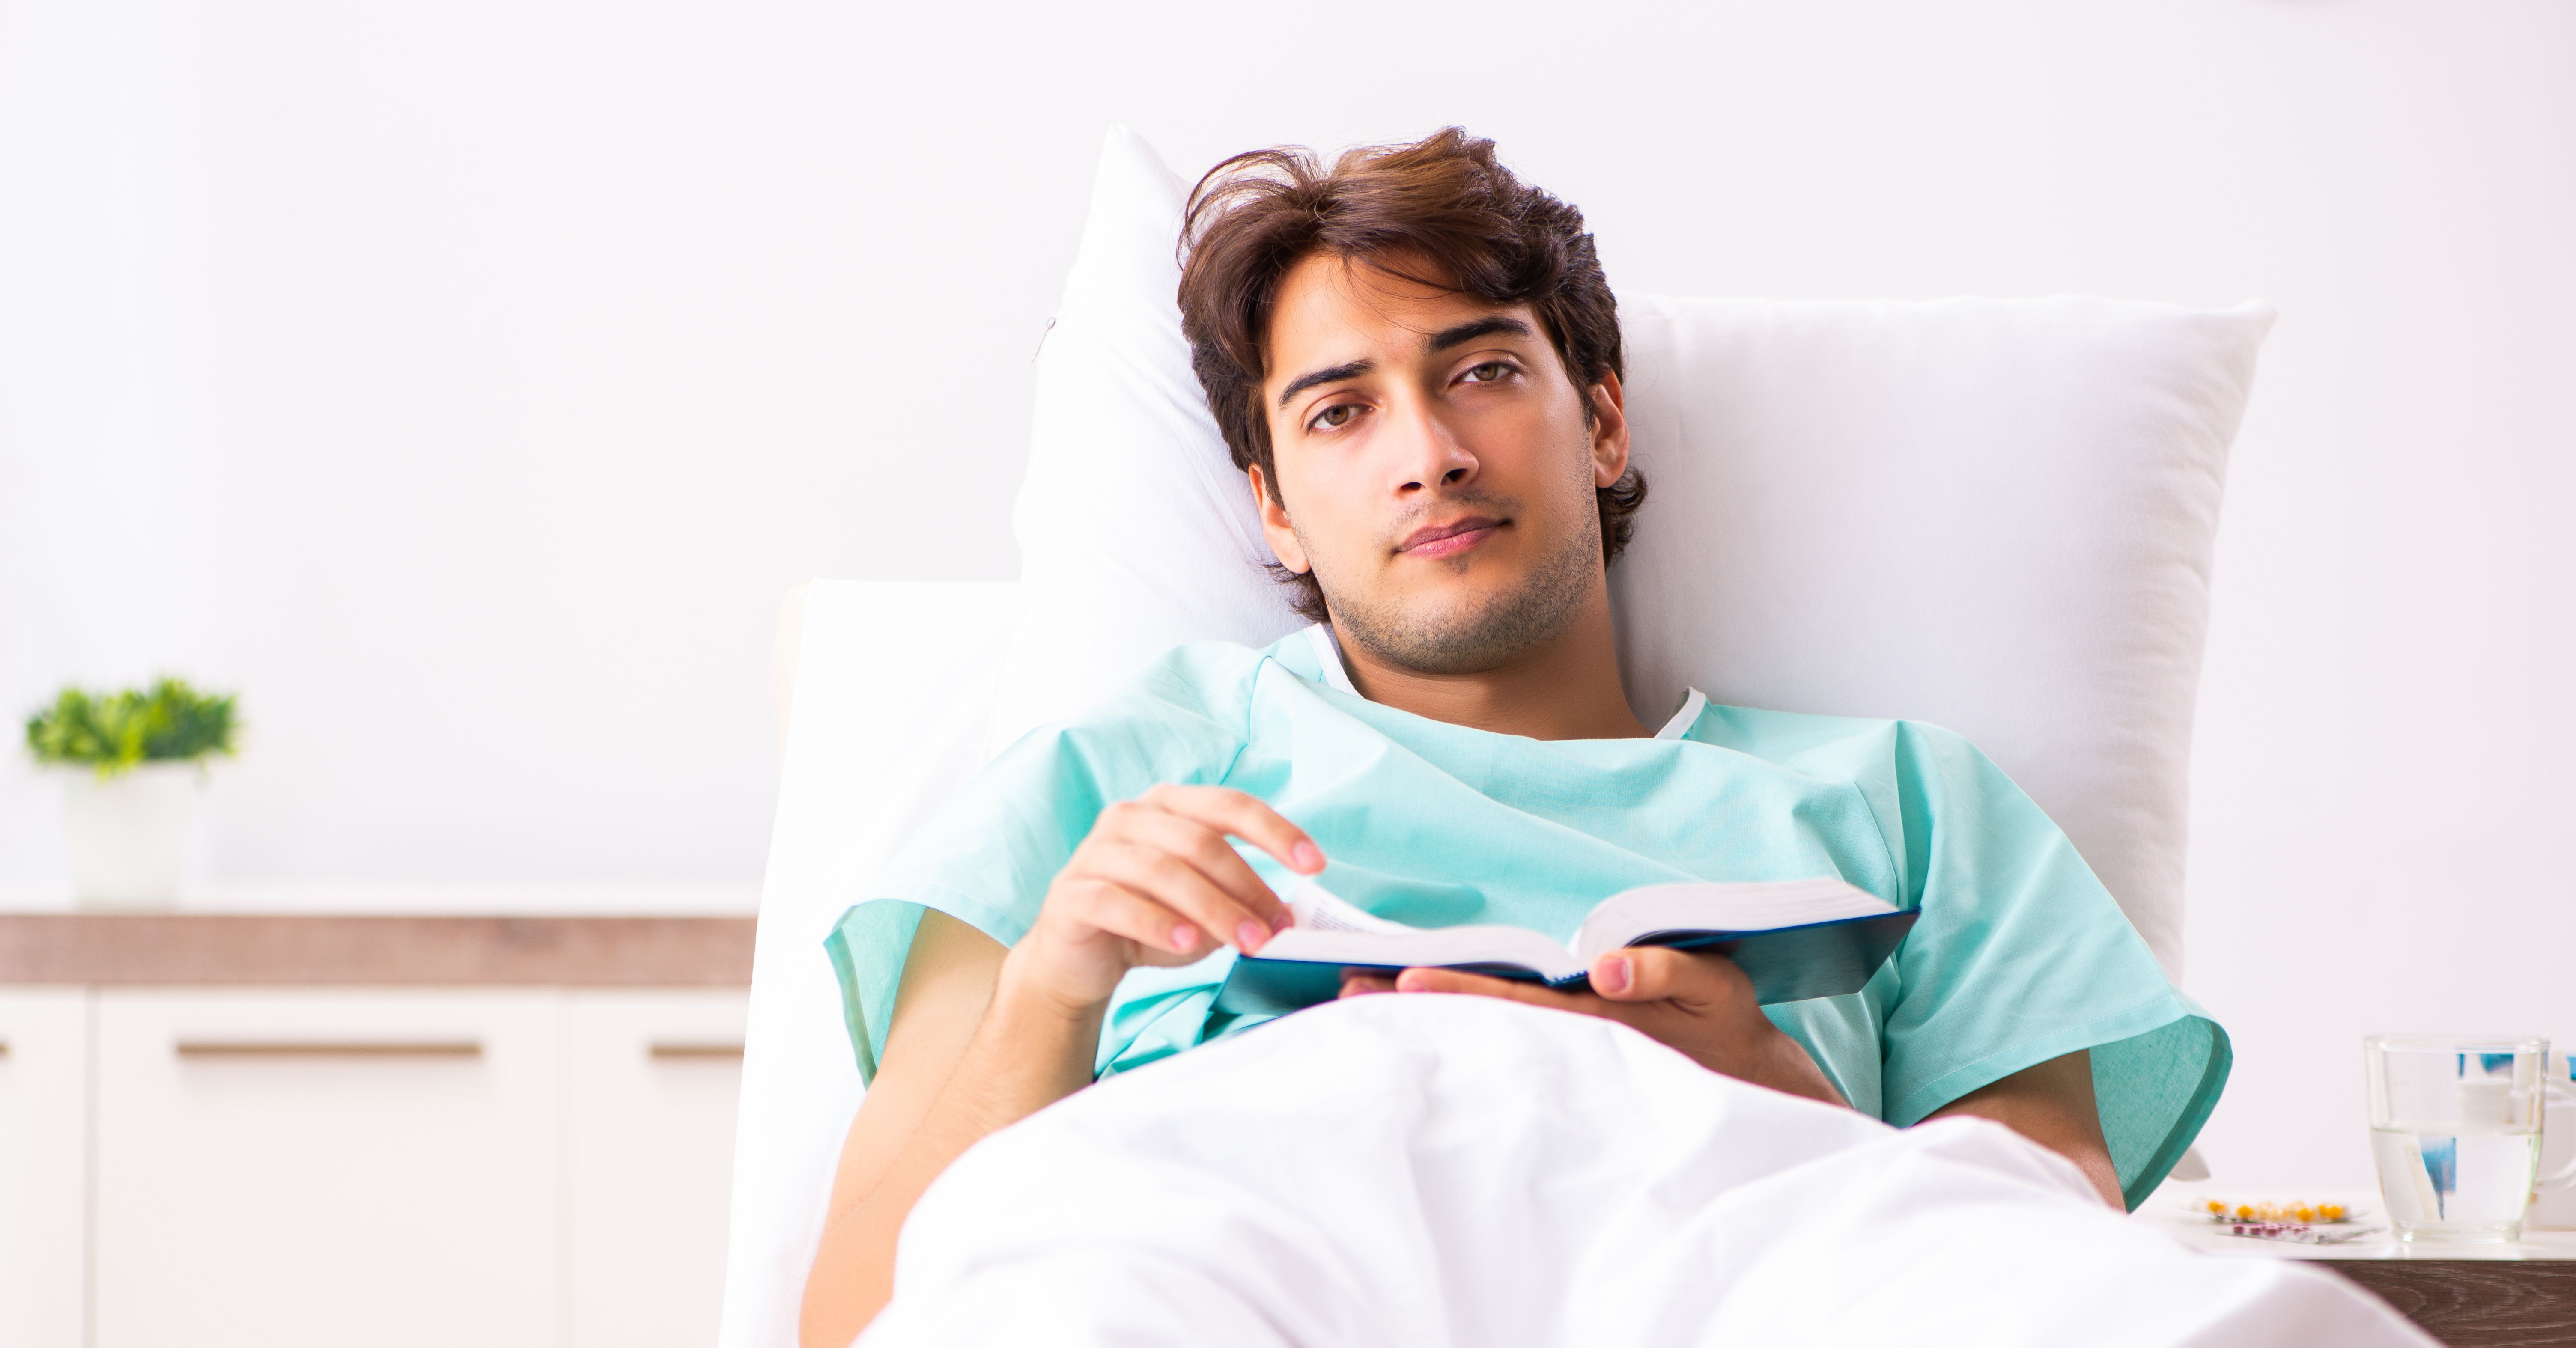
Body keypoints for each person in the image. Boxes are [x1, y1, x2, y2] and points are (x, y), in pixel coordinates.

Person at [798, 128, 2228, 1348]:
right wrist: (1049, 996)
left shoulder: (1907, 804)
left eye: (1480, 371)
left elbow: (2052, 1280)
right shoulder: (1114, 786)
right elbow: (856, 1318)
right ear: (1276, 509)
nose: (1429, 454)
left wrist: (1782, 1103)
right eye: (1341, 412)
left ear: (1600, 424)